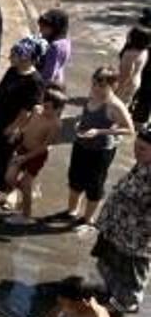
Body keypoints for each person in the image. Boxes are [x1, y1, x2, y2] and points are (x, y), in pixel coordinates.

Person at [62, 67, 134, 225]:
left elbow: (129, 130)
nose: (96, 88)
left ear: (113, 85)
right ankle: (72, 211)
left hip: (101, 151)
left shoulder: (115, 105)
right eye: (94, 83)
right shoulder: (92, 95)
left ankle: (87, 219)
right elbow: (87, 115)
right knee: (75, 178)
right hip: (81, 144)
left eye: (101, 86)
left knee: (94, 185)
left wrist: (99, 131)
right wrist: (79, 122)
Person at [91, 126, 151, 313]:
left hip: (136, 239)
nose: (136, 151)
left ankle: (126, 304)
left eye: (142, 149)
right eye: (136, 146)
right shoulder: (142, 164)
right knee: (109, 263)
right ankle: (112, 294)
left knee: (131, 274)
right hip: (117, 228)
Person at [0, 39, 46, 192]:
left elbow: (27, 110)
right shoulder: (12, 70)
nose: (10, 57)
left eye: (14, 55)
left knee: (2, 157)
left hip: (10, 124)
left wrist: (14, 127)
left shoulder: (35, 82)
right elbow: (0, 93)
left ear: (25, 58)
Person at [2, 88, 65, 224]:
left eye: (48, 108)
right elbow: (27, 125)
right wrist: (18, 132)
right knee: (9, 177)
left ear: (57, 110)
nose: (45, 109)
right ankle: (28, 193)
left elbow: (44, 146)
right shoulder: (37, 110)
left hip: (37, 155)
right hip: (23, 149)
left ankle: (26, 215)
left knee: (25, 184)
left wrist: (26, 158)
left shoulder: (55, 124)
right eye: (44, 105)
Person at [36, 9, 71, 86]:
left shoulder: (55, 47)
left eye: (44, 27)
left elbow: (48, 75)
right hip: (58, 81)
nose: (40, 31)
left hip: (48, 87)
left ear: (55, 28)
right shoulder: (64, 40)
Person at [116, 27, 150, 104]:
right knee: (126, 103)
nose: (127, 35)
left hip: (127, 84)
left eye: (129, 35)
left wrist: (120, 88)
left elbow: (128, 73)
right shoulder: (144, 51)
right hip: (136, 82)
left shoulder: (129, 54)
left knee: (118, 105)